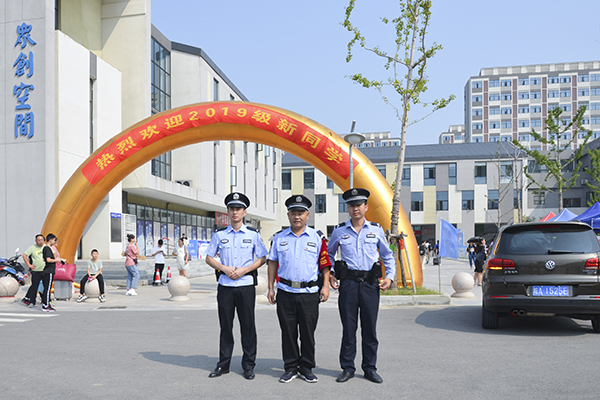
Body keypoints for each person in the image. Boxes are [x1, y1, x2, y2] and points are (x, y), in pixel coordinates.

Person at [328, 188, 396, 384]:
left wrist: (389, 277)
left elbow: (387, 256)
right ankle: (347, 368)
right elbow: (329, 254)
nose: (355, 208)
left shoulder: (376, 230)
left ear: (366, 207)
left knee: (369, 329)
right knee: (349, 329)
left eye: (358, 205)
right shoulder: (340, 231)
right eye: (351, 205)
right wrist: (331, 273)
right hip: (348, 284)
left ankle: (370, 368)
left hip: (369, 285)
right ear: (348, 208)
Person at [267, 195, 331, 384]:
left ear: (307, 215)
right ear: (288, 215)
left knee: (307, 333)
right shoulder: (279, 238)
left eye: (301, 213)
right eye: (293, 213)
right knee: (288, 332)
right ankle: (290, 367)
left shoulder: (317, 237)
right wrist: (270, 288)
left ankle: (306, 367)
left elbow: (325, 264)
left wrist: (325, 286)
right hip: (285, 292)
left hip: (309, 294)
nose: (297, 216)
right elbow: (272, 263)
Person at [205, 192, 268, 380]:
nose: (235, 212)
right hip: (225, 286)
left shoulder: (253, 235)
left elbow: (263, 258)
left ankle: (248, 365)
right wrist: (223, 268)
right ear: (228, 211)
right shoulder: (219, 235)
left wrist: (244, 270)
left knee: (248, 326)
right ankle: (223, 364)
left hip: (245, 285)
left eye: (238, 209)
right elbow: (209, 257)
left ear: (244, 212)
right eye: (232, 208)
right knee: (226, 326)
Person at [20, 234, 46, 308]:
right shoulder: (32, 248)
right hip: (36, 270)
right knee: (34, 286)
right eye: (39, 240)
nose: (41, 241)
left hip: (45, 270)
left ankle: (46, 301)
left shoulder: (46, 247)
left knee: (45, 287)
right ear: (36, 241)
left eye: (42, 240)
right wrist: (29, 265)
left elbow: (54, 254)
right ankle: (32, 302)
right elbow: (24, 255)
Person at [41, 233, 65, 312]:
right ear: (50, 240)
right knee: (48, 289)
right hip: (49, 271)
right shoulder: (47, 248)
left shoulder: (45, 248)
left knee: (46, 288)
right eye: (54, 240)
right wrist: (56, 260)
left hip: (47, 270)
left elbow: (44, 259)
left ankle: (45, 304)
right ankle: (46, 305)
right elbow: (48, 260)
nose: (54, 242)